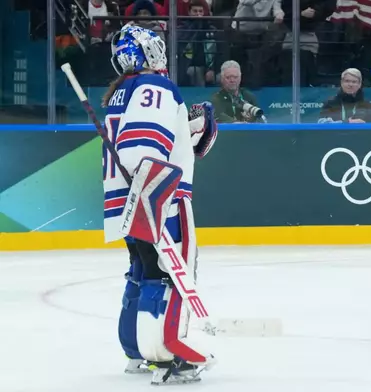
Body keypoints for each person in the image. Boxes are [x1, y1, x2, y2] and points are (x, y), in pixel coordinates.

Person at [102, 25, 217, 384]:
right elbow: (141, 150)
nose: (159, 52)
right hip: (158, 198)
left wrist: (190, 125)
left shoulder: (123, 91)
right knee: (167, 274)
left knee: (141, 270)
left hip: (126, 200)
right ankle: (168, 355)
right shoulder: (154, 87)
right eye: (153, 47)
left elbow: (156, 139)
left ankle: (136, 350)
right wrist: (154, 197)